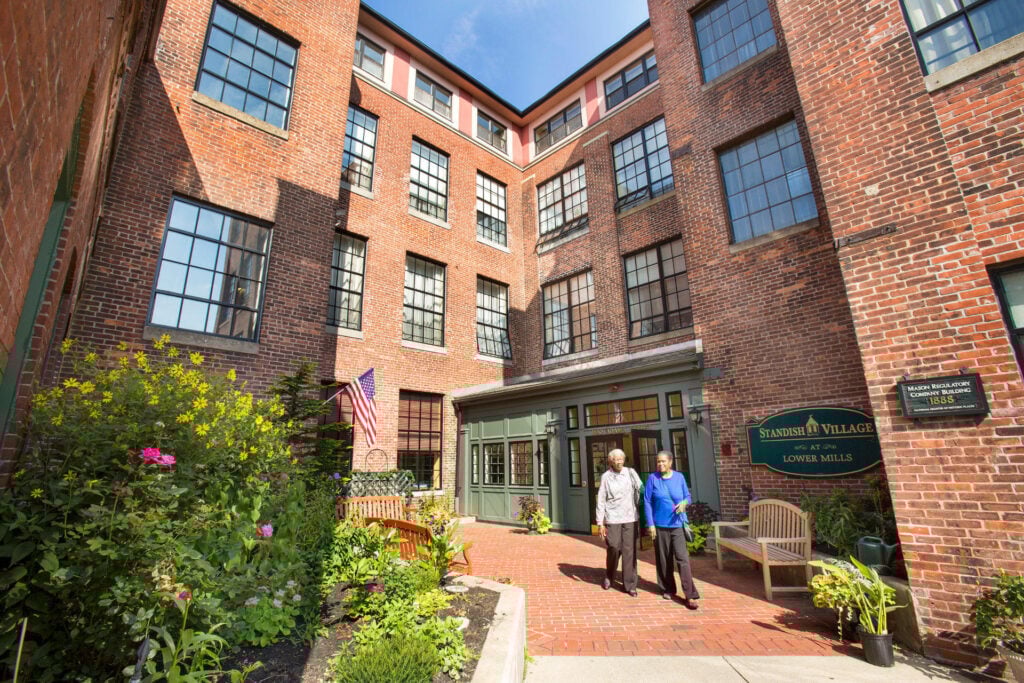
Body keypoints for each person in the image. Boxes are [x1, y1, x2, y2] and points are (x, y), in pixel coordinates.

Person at [643, 450, 700, 609]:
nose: (660, 464)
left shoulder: (679, 477)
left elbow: (688, 497)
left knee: (682, 559)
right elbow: (647, 501)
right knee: (664, 559)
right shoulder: (652, 479)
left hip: (677, 525)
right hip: (660, 525)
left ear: (670, 462)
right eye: (658, 462)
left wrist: (684, 503)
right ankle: (667, 588)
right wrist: (651, 524)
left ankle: (690, 595)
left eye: (663, 461)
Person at [595, 448, 642, 596]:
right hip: (613, 517)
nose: (619, 461)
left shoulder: (631, 473)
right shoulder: (606, 477)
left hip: (630, 517)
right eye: (616, 459)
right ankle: (609, 575)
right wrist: (600, 522)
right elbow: (601, 499)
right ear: (610, 461)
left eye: (621, 458)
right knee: (614, 547)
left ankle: (630, 585)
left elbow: (642, 489)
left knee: (629, 551)